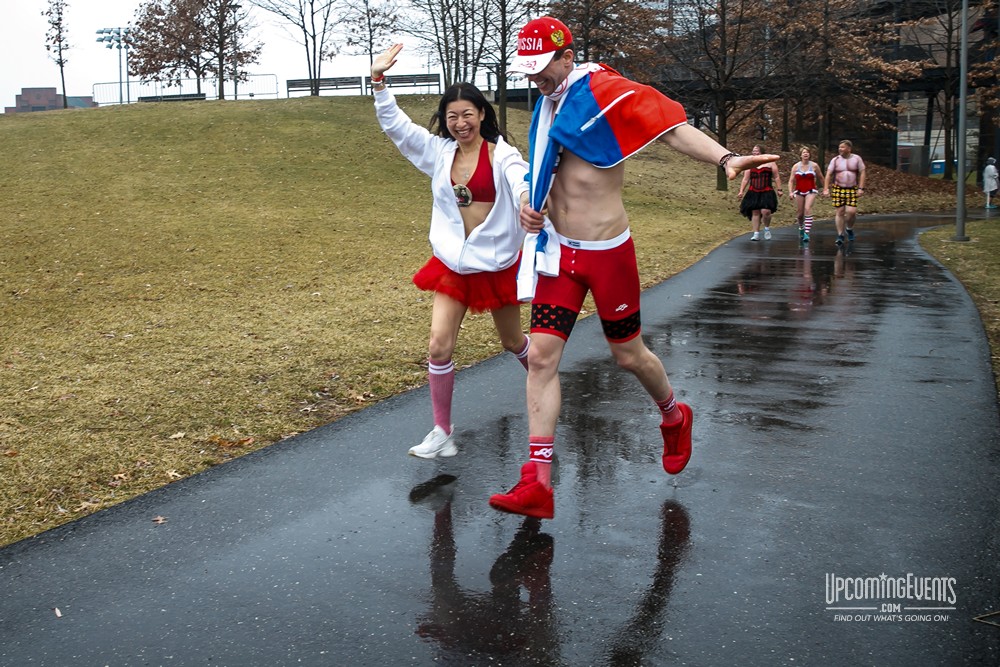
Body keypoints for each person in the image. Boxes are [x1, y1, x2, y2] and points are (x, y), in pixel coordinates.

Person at [488, 16, 779, 519]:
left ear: (566, 56)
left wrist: (725, 158)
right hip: (559, 256)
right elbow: (542, 173)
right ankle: (536, 481)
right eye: (529, 72)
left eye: (542, 70)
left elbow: (670, 128)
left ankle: (673, 415)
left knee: (629, 356)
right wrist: (528, 205)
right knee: (540, 359)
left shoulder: (606, 92)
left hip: (607, 257)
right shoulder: (547, 106)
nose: (536, 80)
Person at [371, 44, 531, 459]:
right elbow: (398, 128)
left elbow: (520, 183)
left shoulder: (503, 156)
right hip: (453, 264)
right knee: (439, 345)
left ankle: (547, 384)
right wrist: (379, 82)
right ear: (445, 120)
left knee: (513, 342)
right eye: (452, 116)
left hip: (494, 263)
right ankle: (442, 431)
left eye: (468, 114)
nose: (460, 123)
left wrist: (529, 202)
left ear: (482, 115)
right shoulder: (439, 152)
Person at [823, 140, 866, 246]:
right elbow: (828, 174)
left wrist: (861, 188)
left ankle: (849, 228)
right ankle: (840, 235)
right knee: (840, 212)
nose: (840, 149)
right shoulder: (835, 160)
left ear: (849, 149)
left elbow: (862, 172)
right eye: (839, 147)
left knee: (851, 212)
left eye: (842, 147)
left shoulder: (856, 159)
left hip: (851, 189)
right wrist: (826, 188)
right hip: (838, 188)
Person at [736, 145, 782, 241]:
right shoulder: (750, 164)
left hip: (767, 190)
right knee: (755, 211)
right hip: (754, 191)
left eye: (757, 151)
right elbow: (745, 179)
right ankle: (756, 233)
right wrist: (741, 191)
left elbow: (776, 177)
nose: (755, 153)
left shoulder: (770, 163)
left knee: (766, 211)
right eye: (753, 151)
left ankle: (766, 228)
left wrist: (779, 189)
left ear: (762, 152)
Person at [787, 146, 826, 243]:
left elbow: (821, 178)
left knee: (807, 208)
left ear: (809, 154)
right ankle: (801, 227)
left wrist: (826, 189)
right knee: (800, 214)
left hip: (811, 190)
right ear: (800, 155)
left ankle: (807, 233)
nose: (806, 154)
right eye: (804, 152)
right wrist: (790, 192)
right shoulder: (796, 166)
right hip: (799, 190)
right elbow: (791, 181)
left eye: (807, 152)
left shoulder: (814, 166)